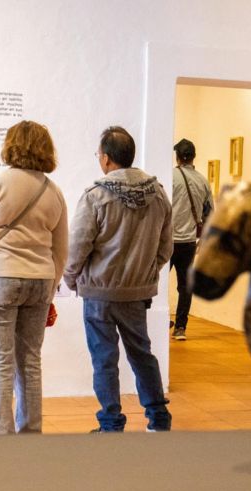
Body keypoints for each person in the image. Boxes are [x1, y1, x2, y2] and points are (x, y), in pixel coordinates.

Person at [64, 126, 173, 433]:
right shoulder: (158, 195)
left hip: (99, 293)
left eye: (99, 154)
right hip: (137, 293)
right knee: (142, 354)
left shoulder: (95, 197)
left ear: (107, 159)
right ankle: (158, 417)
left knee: (104, 360)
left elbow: (78, 246)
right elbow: (166, 247)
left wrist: (71, 278)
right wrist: (147, 273)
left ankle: (111, 423)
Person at [0, 120, 68, 435]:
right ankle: (31, 433)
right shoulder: (54, 193)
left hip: (1, 277)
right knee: (30, 360)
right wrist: (51, 291)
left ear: (11, 145)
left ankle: (2, 433)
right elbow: (61, 250)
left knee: (0, 360)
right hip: (40, 280)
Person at [169, 138, 213, 341]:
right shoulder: (203, 181)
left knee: (156, 283)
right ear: (194, 157)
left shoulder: (170, 176)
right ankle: (180, 328)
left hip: (167, 240)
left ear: (177, 156)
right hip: (188, 241)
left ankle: (158, 319)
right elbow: (209, 213)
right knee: (185, 286)